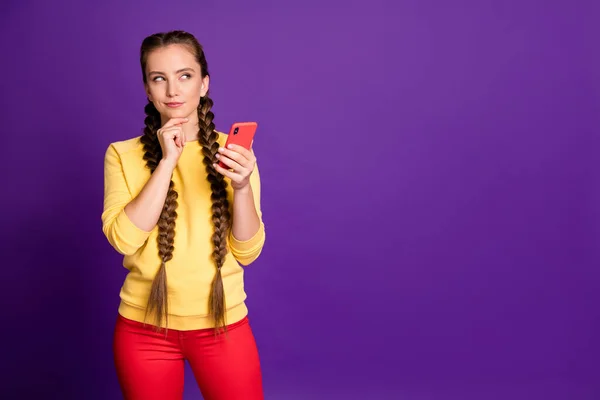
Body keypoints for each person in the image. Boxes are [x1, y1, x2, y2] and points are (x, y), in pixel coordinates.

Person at [101, 30, 266, 400]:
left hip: (223, 326)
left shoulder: (235, 154)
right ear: (147, 89)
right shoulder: (121, 155)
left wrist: (240, 187)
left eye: (185, 76)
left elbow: (248, 252)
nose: (173, 90)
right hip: (143, 330)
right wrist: (167, 162)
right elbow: (124, 239)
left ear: (204, 84)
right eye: (159, 78)